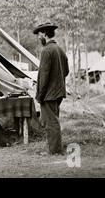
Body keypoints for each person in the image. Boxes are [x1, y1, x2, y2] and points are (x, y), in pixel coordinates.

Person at [33, 22, 69, 155]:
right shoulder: (60, 50)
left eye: (39, 35)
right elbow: (66, 71)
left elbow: (43, 76)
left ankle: (55, 151)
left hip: (49, 94)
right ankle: (55, 149)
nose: (38, 37)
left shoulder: (46, 50)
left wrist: (39, 95)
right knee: (54, 120)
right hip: (58, 93)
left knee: (51, 123)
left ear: (44, 34)